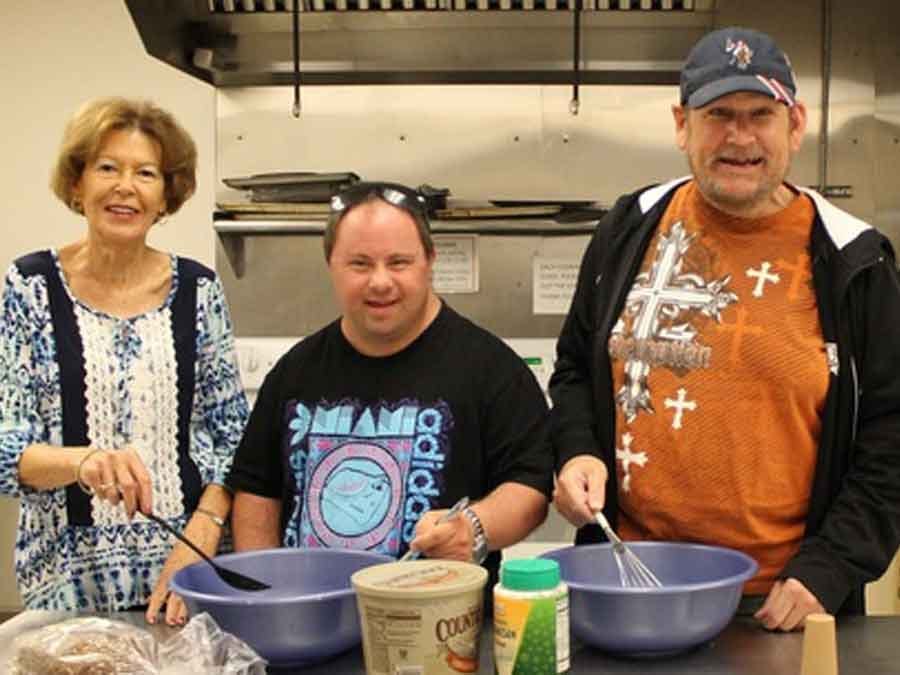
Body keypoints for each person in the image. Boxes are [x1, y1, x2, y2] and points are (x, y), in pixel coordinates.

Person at [550, 26, 900, 631]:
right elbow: (576, 369)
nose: (739, 137)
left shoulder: (854, 259)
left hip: (779, 601)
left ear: (796, 124)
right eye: (719, 115)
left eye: (760, 114)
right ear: (682, 124)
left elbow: (891, 435)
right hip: (630, 579)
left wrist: (832, 567)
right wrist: (577, 449)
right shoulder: (629, 229)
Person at [227, 181, 552, 594]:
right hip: (310, 622)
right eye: (359, 264)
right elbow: (258, 491)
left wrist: (473, 528)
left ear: (429, 261)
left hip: (443, 630)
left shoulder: (492, 370)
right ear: (331, 264)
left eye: (399, 262)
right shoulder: (295, 372)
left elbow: (531, 488)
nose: (380, 282)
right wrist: (265, 595)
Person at [0, 97, 249, 625]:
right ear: (76, 184)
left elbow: (234, 441)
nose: (125, 186)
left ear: (166, 196)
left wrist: (203, 530)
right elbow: (5, 451)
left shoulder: (199, 290)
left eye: (146, 173)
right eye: (107, 167)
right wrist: (81, 462)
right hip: (65, 585)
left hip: (186, 576)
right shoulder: (30, 287)